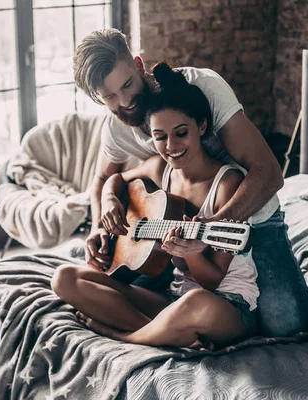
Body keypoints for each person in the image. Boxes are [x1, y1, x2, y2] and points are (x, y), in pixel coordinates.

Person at [73, 28, 308, 337]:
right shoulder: (117, 130)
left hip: (248, 220)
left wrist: (206, 231)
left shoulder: (201, 88)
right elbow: (105, 178)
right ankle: (170, 329)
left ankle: (161, 329)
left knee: (286, 326)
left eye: (127, 84)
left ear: (137, 64)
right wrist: (99, 227)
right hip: (172, 235)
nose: (125, 101)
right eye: (109, 97)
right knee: (88, 279)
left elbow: (269, 172)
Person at [52, 63, 258, 349]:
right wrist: (110, 199)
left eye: (181, 133)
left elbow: (212, 282)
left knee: (197, 302)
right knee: (64, 278)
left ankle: (123, 335)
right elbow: (115, 179)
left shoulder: (228, 183)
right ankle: (167, 332)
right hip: (175, 300)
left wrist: (192, 253)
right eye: (160, 137)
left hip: (224, 306)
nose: (171, 145)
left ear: (201, 126)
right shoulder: (161, 168)